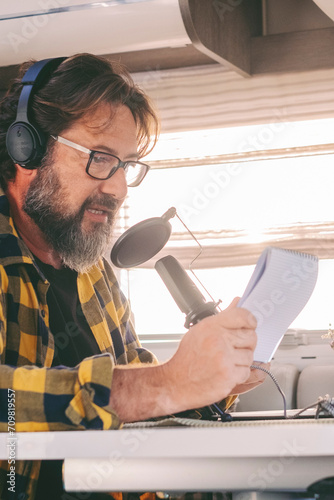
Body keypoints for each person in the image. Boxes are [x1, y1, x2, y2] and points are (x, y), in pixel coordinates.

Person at [0, 54, 266, 500]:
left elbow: (141, 404)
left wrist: (212, 386)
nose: (119, 187)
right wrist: (163, 384)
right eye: (100, 159)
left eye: (126, 165)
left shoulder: (93, 268)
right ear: (25, 149)